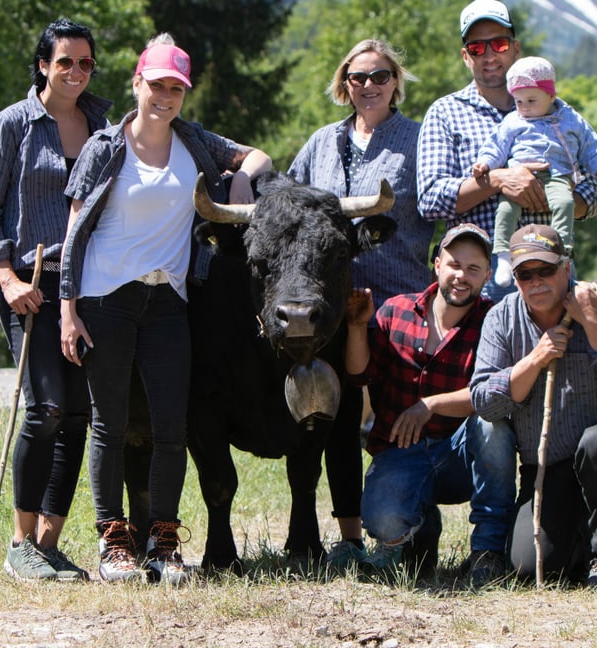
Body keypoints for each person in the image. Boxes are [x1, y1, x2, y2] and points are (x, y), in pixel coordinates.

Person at [59, 35, 272, 584]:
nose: (166, 96)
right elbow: (74, 231)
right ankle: (114, 543)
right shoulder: (105, 146)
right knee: (107, 423)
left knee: (171, 425)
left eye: (175, 88)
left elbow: (257, 154)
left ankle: (162, 542)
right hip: (106, 299)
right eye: (157, 85)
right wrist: (68, 307)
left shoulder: (193, 141)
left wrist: (243, 177)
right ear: (137, 84)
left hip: (168, 302)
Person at [0, 18, 111, 582]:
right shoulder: (10, 127)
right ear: (43, 65)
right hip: (30, 282)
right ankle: (19, 543)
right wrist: (7, 279)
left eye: (86, 63)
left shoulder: (104, 124)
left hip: (90, 285)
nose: (76, 71)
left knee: (79, 415)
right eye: (65, 61)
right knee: (46, 409)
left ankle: (48, 545)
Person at [288, 38, 434, 570]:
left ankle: (407, 536)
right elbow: (290, 201)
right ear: (343, 84)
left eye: (379, 76)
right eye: (357, 77)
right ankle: (349, 536)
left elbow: (441, 201)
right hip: (332, 309)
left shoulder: (418, 140)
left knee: (398, 419)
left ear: (396, 81)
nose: (368, 86)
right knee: (339, 419)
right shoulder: (322, 142)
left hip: (400, 304)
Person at [469, 224, 597, 591]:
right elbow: (484, 402)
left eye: (546, 270)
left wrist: (593, 323)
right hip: (545, 466)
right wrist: (535, 359)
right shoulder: (501, 318)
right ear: (515, 277)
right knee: (527, 566)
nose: (536, 282)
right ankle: (582, 539)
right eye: (525, 274)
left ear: (566, 268)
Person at [345, 223, 517, 584]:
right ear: (436, 264)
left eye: (473, 269)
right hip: (401, 450)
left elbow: (495, 390)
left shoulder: (493, 320)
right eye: (455, 264)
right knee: (383, 520)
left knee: (491, 420)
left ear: (487, 275)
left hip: (461, 454)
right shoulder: (396, 311)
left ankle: (488, 551)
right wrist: (358, 327)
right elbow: (359, 374)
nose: (461, 276)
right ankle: (420, 526)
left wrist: (432, 404)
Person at [416, 0, 597, 302]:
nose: (489, 55)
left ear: (516, 49)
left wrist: (554, 196)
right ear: (465, 56)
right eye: (477, 47)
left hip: (553, 272)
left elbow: (592, 194)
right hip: (480, 281)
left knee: (558, 349)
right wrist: (499, 181)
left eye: (499, 44)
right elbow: (430, 199)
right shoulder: (445, 112)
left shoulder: (555, 109)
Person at [472, 56, 597, 287]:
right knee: (506, 210)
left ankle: (562, 251)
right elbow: (496, 145)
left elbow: (590, 143)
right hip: (516, 176)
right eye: (518, 102)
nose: (524, 107)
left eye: (531, 100)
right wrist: (485, 163)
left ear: (551, 96)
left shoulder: (571, 119)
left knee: (564, 204)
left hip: (557, 175)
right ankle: (503, 255)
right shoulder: (513, 121)